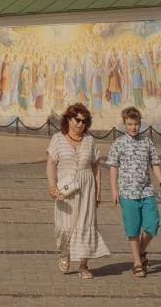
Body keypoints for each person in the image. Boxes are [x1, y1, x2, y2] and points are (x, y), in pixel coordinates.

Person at [46, 102, 110, 279]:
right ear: (69, 119)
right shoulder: (58, 138)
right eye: (77, 120)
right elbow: (51, 163)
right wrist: (52, 185)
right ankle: (64, 254)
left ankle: (83, 265)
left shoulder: (90, 141)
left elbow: (96, 167)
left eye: (84, 121)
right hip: (65, 190)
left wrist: (98, 191)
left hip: (86, 189)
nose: (80, 124)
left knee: (86, 225)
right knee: (64, 227)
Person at [107, 106, 161, 278]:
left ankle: (141, 251)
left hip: (146, 191)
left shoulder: (147, 142)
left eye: (136, 124)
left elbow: (154, 163)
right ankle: (137, 263)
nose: (133, 127)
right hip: (127, 193)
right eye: (129, 124)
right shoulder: (118, 144)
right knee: (133, 229)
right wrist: (114, 191)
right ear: (124, 125)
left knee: (152, 224)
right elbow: (113, 168)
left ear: (140, 124)